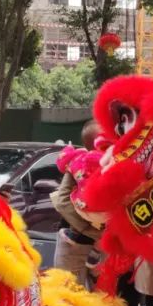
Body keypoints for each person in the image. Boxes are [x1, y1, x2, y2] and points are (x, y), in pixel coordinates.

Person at [51, 120, 103, 289]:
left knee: (103, 303)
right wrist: (94, 232)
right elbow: (62, 202)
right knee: (68, 299)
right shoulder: (78, 163)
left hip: (103, 248)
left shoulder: (117, 164)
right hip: (74, 244)